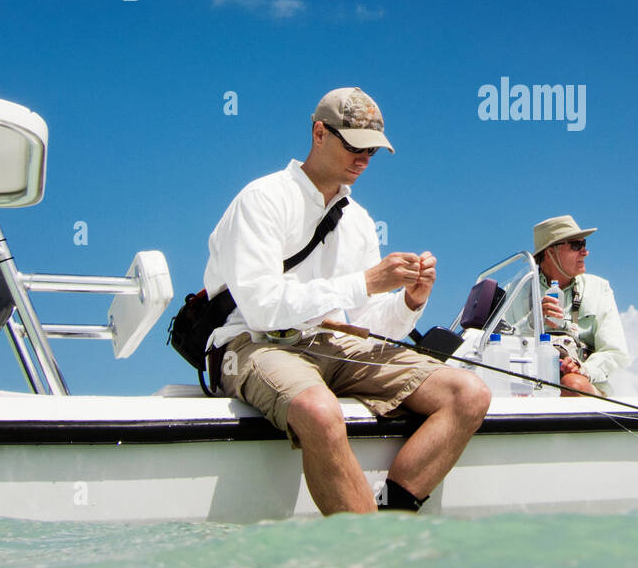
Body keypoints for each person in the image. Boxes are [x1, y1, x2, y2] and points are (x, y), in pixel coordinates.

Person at [203, 87, 490, 515]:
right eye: (355, 146)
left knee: (468, 392)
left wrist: (410, 302)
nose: (364, 161)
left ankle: (395, 512)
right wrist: (365, 282)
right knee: (319, 411)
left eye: (373, 152)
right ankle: (369, 554)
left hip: (333, 345)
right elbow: (262, 308)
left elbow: (370, 325)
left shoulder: (358, 220)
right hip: (253, 342)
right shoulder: (262, 199)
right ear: (319, 133)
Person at [533, 215, 630, 397]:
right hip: (529, 382)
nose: (585, 252)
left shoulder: (600, 289)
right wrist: (532, 320)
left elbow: (615, 352)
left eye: (584, 245)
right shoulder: (516, 290)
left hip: (583, 386)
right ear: (550, 252)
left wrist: (583, 369)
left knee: (572, 384)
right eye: (577, 246)